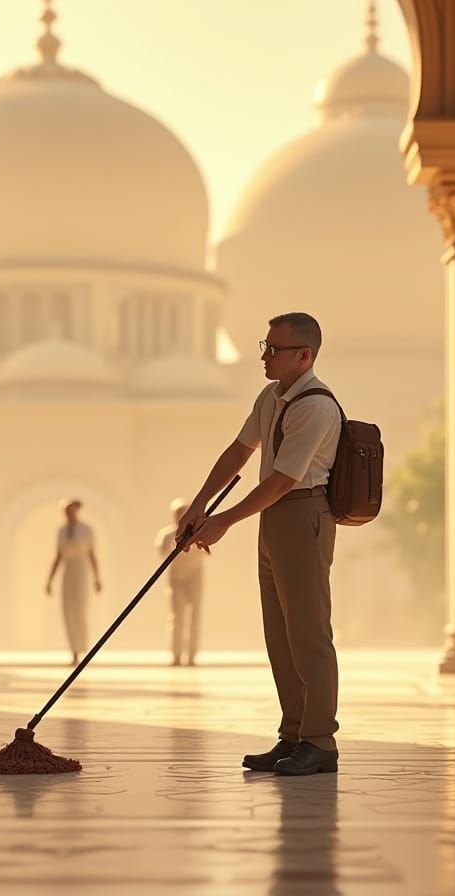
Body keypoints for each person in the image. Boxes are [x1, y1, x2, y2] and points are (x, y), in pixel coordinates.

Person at [178, 312, 341, 776]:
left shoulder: (316, 406)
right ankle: (292, 736)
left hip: (303, 512)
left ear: (305, 355)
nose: (265, 357)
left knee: (308, 633)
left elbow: (284, 480)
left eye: (275, 350)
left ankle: (319, 741)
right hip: (274, 519)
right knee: (280, 634)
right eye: (264, 347)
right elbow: (239, 452)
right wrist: (198, 506)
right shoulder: (271, 397)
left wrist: (223, 521)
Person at [45, 498, 102, 665]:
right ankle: (73, 651)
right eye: (65, 511)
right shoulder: (61, 531)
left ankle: (82, 648)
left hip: (81, 570)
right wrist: (50, 580)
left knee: (80, 610)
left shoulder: (86, 530)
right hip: (67, 570)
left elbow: (92, 554)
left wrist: (97, 578)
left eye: (70, 510)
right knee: (67, 611)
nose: (68, 514)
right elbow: (58, 556)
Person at [155, 498, 208, 666]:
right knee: (177, 617)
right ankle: (176, 655)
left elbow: (206, 551)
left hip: (195, 576)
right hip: (176, 578)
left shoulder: (199, 531)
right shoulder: (167, 534)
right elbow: (162, 552)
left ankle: (192, 655)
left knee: (195, 615)